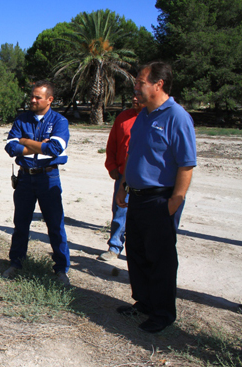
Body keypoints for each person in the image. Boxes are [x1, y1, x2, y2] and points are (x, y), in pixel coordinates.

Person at [116, 62, 197, 333]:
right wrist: (123, 184)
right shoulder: (143, 116)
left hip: (160, 200)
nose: (135, 87)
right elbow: (133, 154)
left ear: (158, 85)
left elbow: (186, 164)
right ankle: (145, 303)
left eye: (140, 82)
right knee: (136, 252)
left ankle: (163, 313)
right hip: (137, 197)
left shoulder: (177, 117)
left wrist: (175, 200)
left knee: (160, 258)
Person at [3, 80, 71, 286]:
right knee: (21, 223)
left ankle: (61, 269)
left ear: (49, 100)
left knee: (55, 225)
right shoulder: (22, 119)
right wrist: (40, 145)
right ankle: (16, 263)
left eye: (37, 97)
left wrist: (24, 141)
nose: (32, 100)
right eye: (32, 96)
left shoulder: (59, 121)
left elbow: (55, 149)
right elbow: (10, 147)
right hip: (24, 178)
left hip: (48, 178)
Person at [99, 96, 144, 261]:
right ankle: (114, 247)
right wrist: (111, 166)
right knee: (119, 212)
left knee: (142, 217)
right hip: (123, 177)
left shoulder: (153, 118)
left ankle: (138, 253)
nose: (134, 98)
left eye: (139, 94)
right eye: (133, 93)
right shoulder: (123, 117)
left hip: (145, 180)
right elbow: (112, 144)